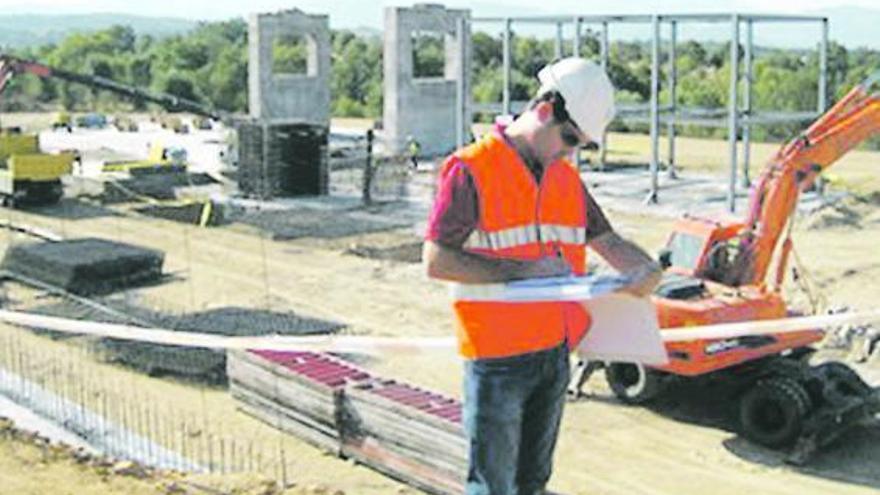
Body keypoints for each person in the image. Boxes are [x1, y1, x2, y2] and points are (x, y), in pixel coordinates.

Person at [423, 57, 662, 495]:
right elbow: (437, 260)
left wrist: (646, 270)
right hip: (496, 358)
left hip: (553, 354)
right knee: (493, 487)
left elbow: (608, 241)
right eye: (570, 139)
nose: (570, 152)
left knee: (533, 484)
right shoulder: (472, 168)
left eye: (581, 146)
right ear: (547, 109)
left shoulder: (565, 180)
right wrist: (520, 271)